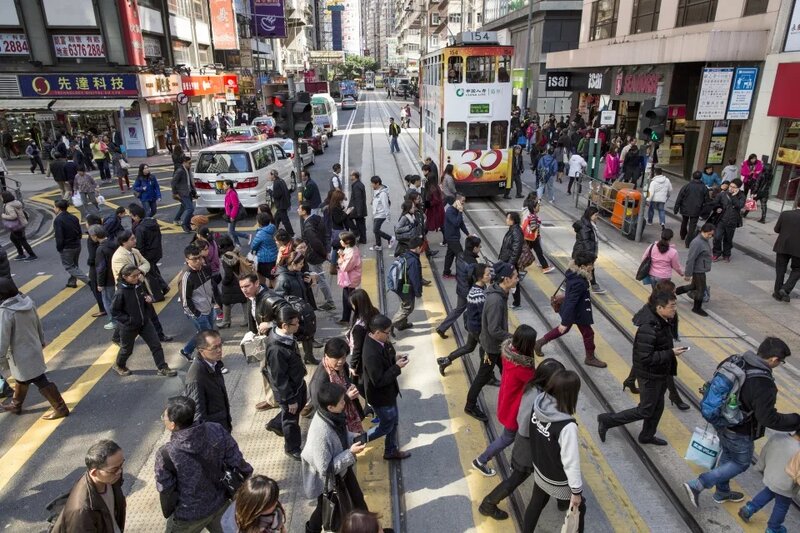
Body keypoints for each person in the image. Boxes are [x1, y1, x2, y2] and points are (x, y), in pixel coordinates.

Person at [684, 337, 800, 509]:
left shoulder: (736, 360)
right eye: (780, 362)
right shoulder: (763, 382)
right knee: (740, 462)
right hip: (740, 428)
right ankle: (698, 484)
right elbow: (767, 418)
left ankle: (722, 492)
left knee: (728, 455)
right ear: (774, 359)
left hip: (721, 419)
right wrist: (796, 420)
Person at [479, 358, 566, 520]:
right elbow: (525, 425)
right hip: (529, 448)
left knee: (557, 471)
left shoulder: (535, 389)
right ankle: (488, 504)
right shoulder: (535, 396)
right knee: (517, 479)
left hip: (533, 446)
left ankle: (562, 500)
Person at [598, 291, 686, 446]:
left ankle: (646, 436)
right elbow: (645, 358)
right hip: (649, 376)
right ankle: (607, 420)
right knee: (645, 410)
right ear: (659, 308)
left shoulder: (663, 321)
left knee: (657, 408)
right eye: (672, 306)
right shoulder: (649, 327)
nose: (675, 309)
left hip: (660, 374)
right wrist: (670, 353)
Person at [155, 396, 253, 532]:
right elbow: (237, 461)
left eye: (164, 417)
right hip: (220, 504)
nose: (163, 418)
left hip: (187, 515)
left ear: (172, 425)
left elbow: (165, 488)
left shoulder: (166, 453)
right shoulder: (216, 430)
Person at [302, 382, 368, 533]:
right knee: (327, 508)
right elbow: (325, 469)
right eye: (342, 402)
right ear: (330, 407)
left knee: (357, 500)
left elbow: (341, 435)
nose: (345, 403)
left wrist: (353, 437)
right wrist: (350, 453)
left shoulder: (334, 415)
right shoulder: (321, 432)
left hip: (342, 471)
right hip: (329, 480)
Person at [524, 371, 586, 532]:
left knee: (536, 502)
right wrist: (576, 492)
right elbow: (571, 462)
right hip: (557, 478)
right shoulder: (567, 426)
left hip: (540, 467)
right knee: (580, 508)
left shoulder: (539, 403)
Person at [472, 325, 537, 477]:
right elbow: (536, 381)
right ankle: (481, 460)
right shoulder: (522, 368)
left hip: (506, 401)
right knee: (507, 438)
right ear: (527, 344)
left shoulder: (509, 354)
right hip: (515, 409)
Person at [0, 278, 69, 418]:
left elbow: (3, 337)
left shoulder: (6, 311)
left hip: (19, 353)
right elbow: (38, 322)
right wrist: (41, 340)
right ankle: (16, 405)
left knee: (39, 379)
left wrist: (0, 356)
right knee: (22, 379)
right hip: (33, 346)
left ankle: (61, 408)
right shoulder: (27, 301)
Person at [464, 262, 518, 422]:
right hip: (492, 348)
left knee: (508, 372)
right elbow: (494, 329)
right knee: (482, 376)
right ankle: (470, 405)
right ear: (506, 279)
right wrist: (513, 337)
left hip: (496, 346)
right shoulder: (496, 300)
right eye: (515, 277)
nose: (517, 280)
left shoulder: (500, 293)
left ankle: (513, 400)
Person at [534, 252, 607, 368]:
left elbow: (570, 296)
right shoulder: (579, 281)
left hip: (575, 311)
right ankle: (590, 358)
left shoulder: (573, 274)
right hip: (577, 311)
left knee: (567, 330)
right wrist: (565, 321)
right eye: (591, 264)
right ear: (583, 266)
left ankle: (539, 343)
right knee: (587, 333)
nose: (592, 267)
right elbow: (571, 302)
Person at [110, 265, 177, 378]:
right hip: (129, 327)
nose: (137, 278)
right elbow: (115, 311)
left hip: (145, 322)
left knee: (156, 345)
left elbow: (143, 297)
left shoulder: (138, 285)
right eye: (134, 276)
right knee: (127, 350)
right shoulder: (120, 292)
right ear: (125, 277)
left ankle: (162, 367)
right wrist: (128, 320)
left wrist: (147, 299)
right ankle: (119, 365)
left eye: (138, 275)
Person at [362, 314, 411, 460]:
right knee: (386, 426)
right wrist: (396, 367)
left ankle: (390, 450)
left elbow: (385, 359)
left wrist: (394, 358)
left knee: (393, 422)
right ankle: (358, 440)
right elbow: (378, 380)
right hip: (381, 398)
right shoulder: (371, 353)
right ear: (377, 333)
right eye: (387, 332)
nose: (389, 335)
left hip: (389, 393)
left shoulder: (379, 342)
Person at [51, 440, 125, 532]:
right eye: (114, 469)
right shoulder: (81, 512)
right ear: (94, 473)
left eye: (121, 465)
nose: (119, 471)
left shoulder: (111, 478)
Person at [264, 307, 308, 459]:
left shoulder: (286, 337)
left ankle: (276, 423)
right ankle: (292, 447)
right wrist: (289, 399)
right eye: (295, 324)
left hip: (297, 383)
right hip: (290, 390)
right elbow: (279, 378)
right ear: (284, 326)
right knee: (291, 420)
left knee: (298, 407)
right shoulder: (276, 349)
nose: (298, 326)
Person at [737, 430, 800, 532]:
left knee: (768, 492)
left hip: (771, 476)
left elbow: (764, 451)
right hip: (786, 486)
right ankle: (773, 528)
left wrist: (759, 466)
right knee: (782, 506)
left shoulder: (778, 437)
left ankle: (748, 509)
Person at [437, 262, 488, 375]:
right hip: (478, 328)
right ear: (480, 277)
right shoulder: (478, 295)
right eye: (488, 274)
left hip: (472, 326)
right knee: (486, 350)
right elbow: (484, 316)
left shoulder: (478, 287)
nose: (490, 276)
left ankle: (446, 360)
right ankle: (487, 376)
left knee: (469, 347)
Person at [308, 337, 363, 434]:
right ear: (326, 356)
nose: (340, 361)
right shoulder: (320, 381)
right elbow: (321, 409)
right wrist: (346, 397)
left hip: (347, 417)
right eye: (336, 358)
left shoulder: (342, 366)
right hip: (335, 424)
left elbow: (346, 382)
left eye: (343, 357)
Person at [179, 244, 221, 360]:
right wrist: (197, 314)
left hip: (209, 308)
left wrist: (214, 303)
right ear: (187, 260)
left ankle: (186, 351)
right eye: (194, 259)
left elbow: (211, 287)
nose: (198, 261)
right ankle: (211, 360)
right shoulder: (186, 277)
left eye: (199, 257)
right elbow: (185, 300)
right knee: (207, 337)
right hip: (198, 313)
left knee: (203, 334)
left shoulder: (205, 269)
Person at [184, 329, 231, 431]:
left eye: (220, 345)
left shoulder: (215, 363)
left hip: (222, 427)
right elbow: (198, 416)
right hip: (212, 434)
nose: (219, 350)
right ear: (201, 351)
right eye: (214, 348)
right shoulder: (196, 377)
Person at [437, 235, 481, 338]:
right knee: (477, 311)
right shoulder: (472, 263)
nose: (480, 249)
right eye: (479, 247)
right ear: (474, 248)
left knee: (458, 309)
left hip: (461, 288)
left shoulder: (460, 255)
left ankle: (442, 328)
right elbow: (473, 279)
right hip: (469, 291)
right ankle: (475, 331)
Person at [298, 202, 336, 310]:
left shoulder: (308, 226)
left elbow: (314, 241)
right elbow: (326, 235)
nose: (297, 210)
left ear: (304, 211)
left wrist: (324, 253)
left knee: (319, 278)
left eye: (299, 209)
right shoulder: (317, 218)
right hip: (319, 252)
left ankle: (330, 301)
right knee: (318, 277)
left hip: (314, 255)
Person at [129, 203, 169, 299]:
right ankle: (164, 287)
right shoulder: (152, 222)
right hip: (156, 251)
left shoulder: (140, 229)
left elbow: (140, 245)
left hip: (147, 254)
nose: (131, 218)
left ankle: (158, 295)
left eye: (131, 216)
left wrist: (139, 257)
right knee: (153, 270)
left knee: (150, 275)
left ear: (136, 216)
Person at [54, 199, 90, 288]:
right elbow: (79, 232)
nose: (54, 209)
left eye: (54, 207)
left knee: (69, 266)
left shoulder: (58, 220)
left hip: (67, 247)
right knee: (74, 265)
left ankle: (89, 281)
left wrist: (59, 248)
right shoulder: (74, 217)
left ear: (58, 208)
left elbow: (59, 236)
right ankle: (72, 281)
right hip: (77, 245)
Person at [390, 236, 423, 332]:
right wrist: (418, 292)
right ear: (417, 248)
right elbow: (415, 278)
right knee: (408, 308)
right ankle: (391, 325)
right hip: (406, 287)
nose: (422, 250)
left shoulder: (405, 254)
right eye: (421, 248)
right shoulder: (413, 261)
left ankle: (402, 324)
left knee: (404, 304)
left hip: (400, 285)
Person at [772, 197, 800, 303]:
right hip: (798, 250)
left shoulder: (785, 214)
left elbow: (776, 229)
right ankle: (785, 289)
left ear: (796, 203)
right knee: (797, 270)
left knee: (780, 269)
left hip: (783, 245)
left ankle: (777, 292)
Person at [571, 206, 605, 293]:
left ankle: (593, 285)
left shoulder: (590, 224)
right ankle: (594, 285)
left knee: (582, 269)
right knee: (582, 268)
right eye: (595, 215)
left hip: (585, 252)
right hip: (582, 252)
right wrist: (591, 255)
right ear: (590, 215)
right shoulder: (585, 227)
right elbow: (586, 241)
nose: (597, 217)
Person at [710, 177, 745, 262]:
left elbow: (739, 206)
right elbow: (714, 204)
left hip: (732, 221)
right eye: (730, 186)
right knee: (717, 237)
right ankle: (716, 253)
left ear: (738, 188)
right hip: (721, 220)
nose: (731, 188)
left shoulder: (741, 196)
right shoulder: (723, 194)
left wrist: (734, 197)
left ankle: (726, 254)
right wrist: (717, 208)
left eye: (734, 187)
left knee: (728, 239)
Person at [218, 238, 249, 328]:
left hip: (231, 283)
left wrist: (224, 282)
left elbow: (228, 274)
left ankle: (226, 321)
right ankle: (247, 319)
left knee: (226, 301)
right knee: (244, 300)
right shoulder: (235, 252)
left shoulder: (226, 257)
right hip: (241, 279)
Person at [673, 171, 709, 248]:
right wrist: (704, 212)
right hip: (696, 209)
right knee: (692, 226)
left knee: (684, 221)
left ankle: (683, 235)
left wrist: (676, 208)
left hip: (685, 208)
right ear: (701, 177)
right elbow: (707, 201)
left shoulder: (687, 186)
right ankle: (688, 242)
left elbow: (680, 197)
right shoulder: (704, 188)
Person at [498, 211, 524, 308]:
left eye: (508, 218)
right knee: (510, 281)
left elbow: (516, 250)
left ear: (513, 220)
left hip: (509, 261)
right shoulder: (512, 229)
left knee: (511, 281)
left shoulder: (516, 231)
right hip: (507, 260)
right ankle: (515, 302)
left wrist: (510, 264)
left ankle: (516, 303)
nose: (506, 220)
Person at [1, 190, 37, 261]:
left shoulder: (8, 206)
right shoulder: (15, 202)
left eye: (1, 196)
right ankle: (21, 254)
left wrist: (4, 216)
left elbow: (13, 216)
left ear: (4, 197)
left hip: (17, 225)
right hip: (21, 223)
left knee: (22, 240)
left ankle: (32, 255)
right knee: (13, 238)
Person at [521, 198, 553, 274]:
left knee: (535, 252)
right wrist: (536, 226)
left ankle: (545, 267)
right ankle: (545, 267)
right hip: (532, 238)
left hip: (533, 238)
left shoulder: (532, 215)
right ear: (534, 208)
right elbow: (532, 228)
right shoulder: (533, 217)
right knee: (528, 252)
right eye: (538, 206)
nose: (539, 208)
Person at [441, 193, 469, 277]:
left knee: (450, 255)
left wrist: (468, 234)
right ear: (457, 201)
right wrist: (460, 212)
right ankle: (460, 274)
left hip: (454, 237)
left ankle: (446, 272)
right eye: (462, 201)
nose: (463, 203)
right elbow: (456, 223)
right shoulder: (450, 211)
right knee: (460, 255)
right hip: (451, 237)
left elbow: (461, 223)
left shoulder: (456, 210)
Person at [337, 232, 362, 325]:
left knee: (349, 300)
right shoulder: (350, 249)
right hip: (348, 278)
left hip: (350, 279)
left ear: (347, 242)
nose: (340, 241)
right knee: (346, 298)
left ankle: (361, 316)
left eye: (341, 240)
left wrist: (340, 258)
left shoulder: (352, 253)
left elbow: (345, 267)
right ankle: (345, 318)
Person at [250, 211, 278, 286]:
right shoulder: (273, 227)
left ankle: (264, 291)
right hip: (274, 256)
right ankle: (278, 293)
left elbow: (253, 246)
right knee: (272, 277)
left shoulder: (261, 233)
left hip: (264, 259)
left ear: (259, 223)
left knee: (261, 276)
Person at [171, 155, 196, 233]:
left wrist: (193, 191)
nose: (190, 164)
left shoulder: (187, 170)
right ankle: (185, 224)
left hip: (188, 192)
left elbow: (190, 182)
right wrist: (175, 193)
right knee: (190, 208)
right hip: (182, 193)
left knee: (184, 207)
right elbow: (173, 182)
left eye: (191, 163)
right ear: (184, 162)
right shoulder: (180, 171)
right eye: (189, 163)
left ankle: (183, 223)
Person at [369, 176, 394, 251]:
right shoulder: (376, 190)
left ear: (377, 184)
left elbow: (386, 205)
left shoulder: (383, 193)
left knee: (375, 230)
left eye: (372, 183)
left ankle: (390, 238)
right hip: (376, 213)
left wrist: (388, 216)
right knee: (376, 230)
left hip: (381, 214)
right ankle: (378, 245)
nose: (371, 185)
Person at [223, 180, 249, 246]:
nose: (223, 186)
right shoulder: (228, 192)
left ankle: (247, 236)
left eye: (224, 184)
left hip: (232, 215)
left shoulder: (232, 193)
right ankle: (237, 244)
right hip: (229, 215)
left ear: (229, 186)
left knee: (231, 231)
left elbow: (235, 206)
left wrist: (232, 216)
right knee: (231, 230)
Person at [269, 169, 293, 236]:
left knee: (285, 221)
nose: (269, 177)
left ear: (273, 175)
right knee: (276, 219)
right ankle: (273, 232)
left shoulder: (276, 183)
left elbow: (276, 195)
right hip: (285, 203)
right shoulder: (281, 180)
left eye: (270, 175)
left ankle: (292, 234)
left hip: (281, 205)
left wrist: (270, 191)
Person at [347, 171, 368, 244]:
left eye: (351, 175)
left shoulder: (357, 186)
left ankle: (356, 233)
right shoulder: (358, 184)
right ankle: (363, 239)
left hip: (356, 209)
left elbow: (358, 199)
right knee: (361, 224)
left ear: (354, 176)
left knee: (347, 218)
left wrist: (358, 212)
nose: (350, 177)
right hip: (358, 209)